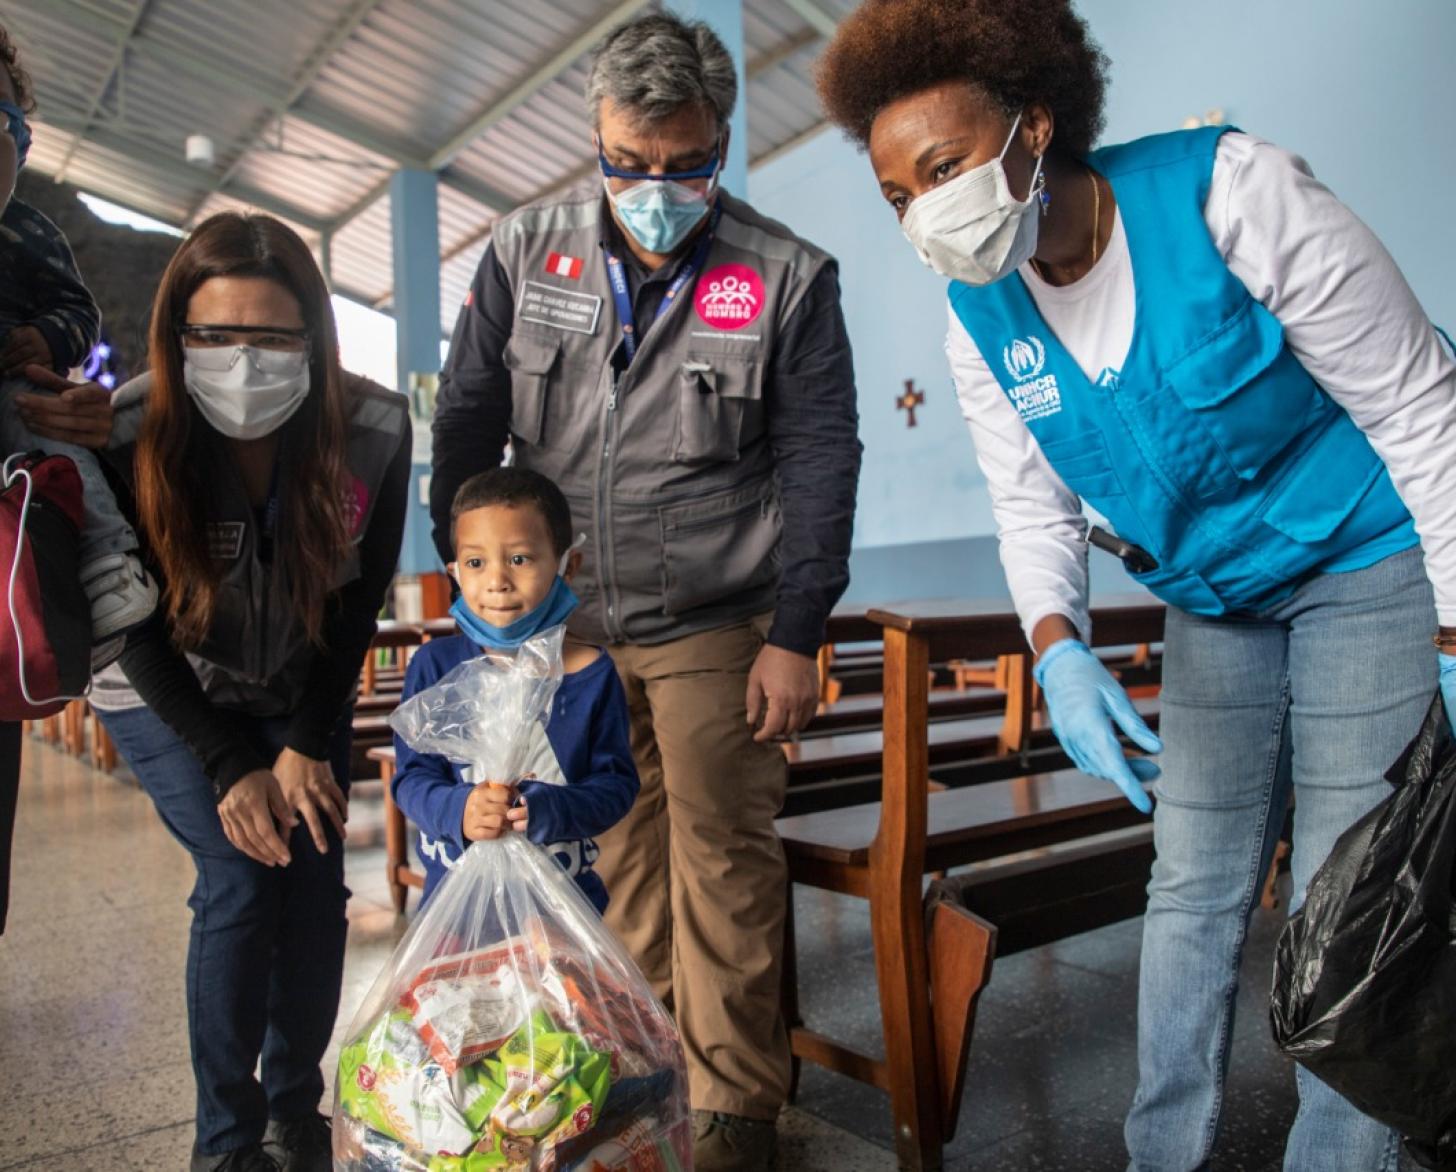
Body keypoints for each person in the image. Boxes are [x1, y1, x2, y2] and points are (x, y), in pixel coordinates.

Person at [816, 1, 1456, 1168]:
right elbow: (1031, 502)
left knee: (1345, 894)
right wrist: (1057, 646)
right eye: (898, 195)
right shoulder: (979, 315)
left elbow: (1420, 408)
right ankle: (1161, 1152)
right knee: (1192, 883)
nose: (924, 214)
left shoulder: (1228, 195)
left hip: (1362, 560)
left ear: (1033, 125)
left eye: (944, 166)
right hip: (1212, 599)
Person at [430, 13, 861, 1169]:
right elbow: (467, 423)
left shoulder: (784, 278)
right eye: (629, 161)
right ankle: (654, 1065)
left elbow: (821, 462)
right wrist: (474, 598)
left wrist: (797, 632)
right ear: (595, 139)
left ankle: (733, 1108)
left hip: (720, 620)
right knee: (619, 850)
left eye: (684, 164)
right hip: (571, 626)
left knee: (720, 853)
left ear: (721, 139)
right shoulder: (525, 255)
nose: (655, 186)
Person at [54, 212, 410, 1172]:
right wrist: (226, 762)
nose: (241, 360)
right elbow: (125, 621)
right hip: (161, 689)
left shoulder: (372, 428)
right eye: (214, 336)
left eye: (271, 337)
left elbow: (358, 602)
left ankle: (297, 1111)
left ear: (313, 338)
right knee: (244, 877)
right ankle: (226, 1141)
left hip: (300, 687)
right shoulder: (128, 434)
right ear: (177, 336)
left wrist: (303, 739)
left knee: (316, 888)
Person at [393, 467, 639, 911]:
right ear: (454, 572)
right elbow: (411, 779)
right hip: (454, 912)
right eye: (475, 563)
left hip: (562, 912)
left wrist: (556, 809)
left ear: (568, 564)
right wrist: (459, 809)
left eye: (520, 559)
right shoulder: (435, 666)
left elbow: (616, 786)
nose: (497, 580)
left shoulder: (591, 673)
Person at [0, 22, 156, 667]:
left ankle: (99, 564)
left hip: (15, 385)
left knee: (58, 437)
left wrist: (47, 337)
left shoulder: (29, 232)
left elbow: (76, 310)